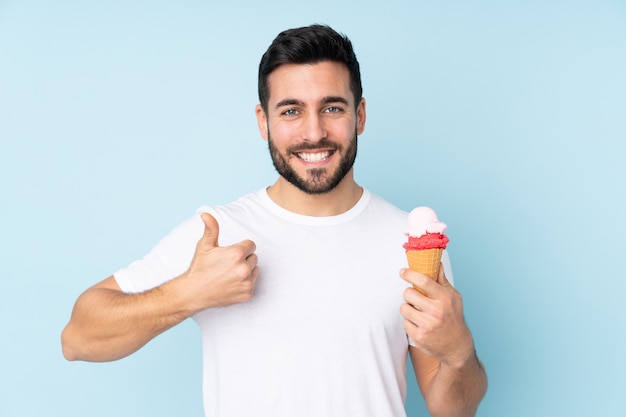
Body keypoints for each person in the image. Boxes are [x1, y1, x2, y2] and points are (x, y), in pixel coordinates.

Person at [61, 24, 487, 417]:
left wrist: (460, 352)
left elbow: (452, 408)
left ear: (359, 115)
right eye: (290, 111)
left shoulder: (412, 244)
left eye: (332, 108)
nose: (314, 132)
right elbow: (77, 339)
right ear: (263, 122)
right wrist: (188, 293)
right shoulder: (217, 235)